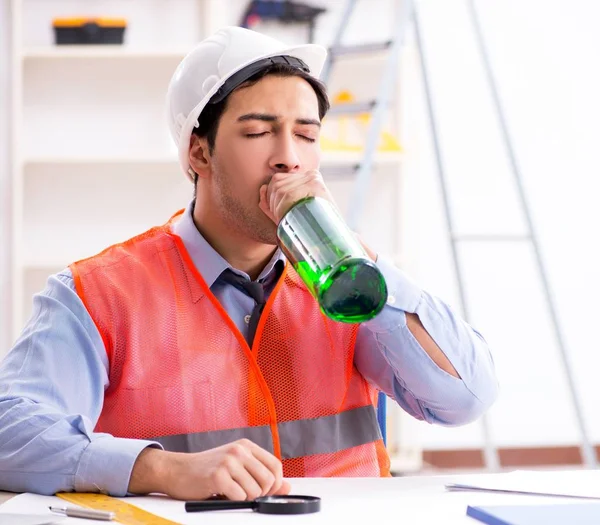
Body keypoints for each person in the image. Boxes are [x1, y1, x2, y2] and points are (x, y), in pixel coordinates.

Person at [0, 26, 498, 502]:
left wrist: (356, 256)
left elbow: (464, 399)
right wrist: (159, 468)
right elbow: (11, 431)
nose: (288, 159)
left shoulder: (347, 284)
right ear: (199, 151)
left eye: (306, 135)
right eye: (260, 131)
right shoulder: (100, 294)